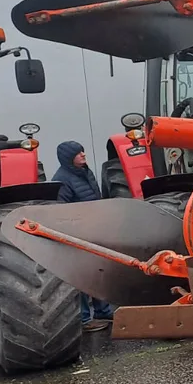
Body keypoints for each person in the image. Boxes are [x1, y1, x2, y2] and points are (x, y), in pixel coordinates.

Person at [51, 140, 113, 332]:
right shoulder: (61, 180)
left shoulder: (85, 172)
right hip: (78, 235)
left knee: (97, 272)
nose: (83, 155)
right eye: (79, 153)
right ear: (69, 158)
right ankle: (84, 319)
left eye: (83, 151)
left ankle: (103, 310)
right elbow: (60, 211)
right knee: (81, 278)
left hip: (93, 230)